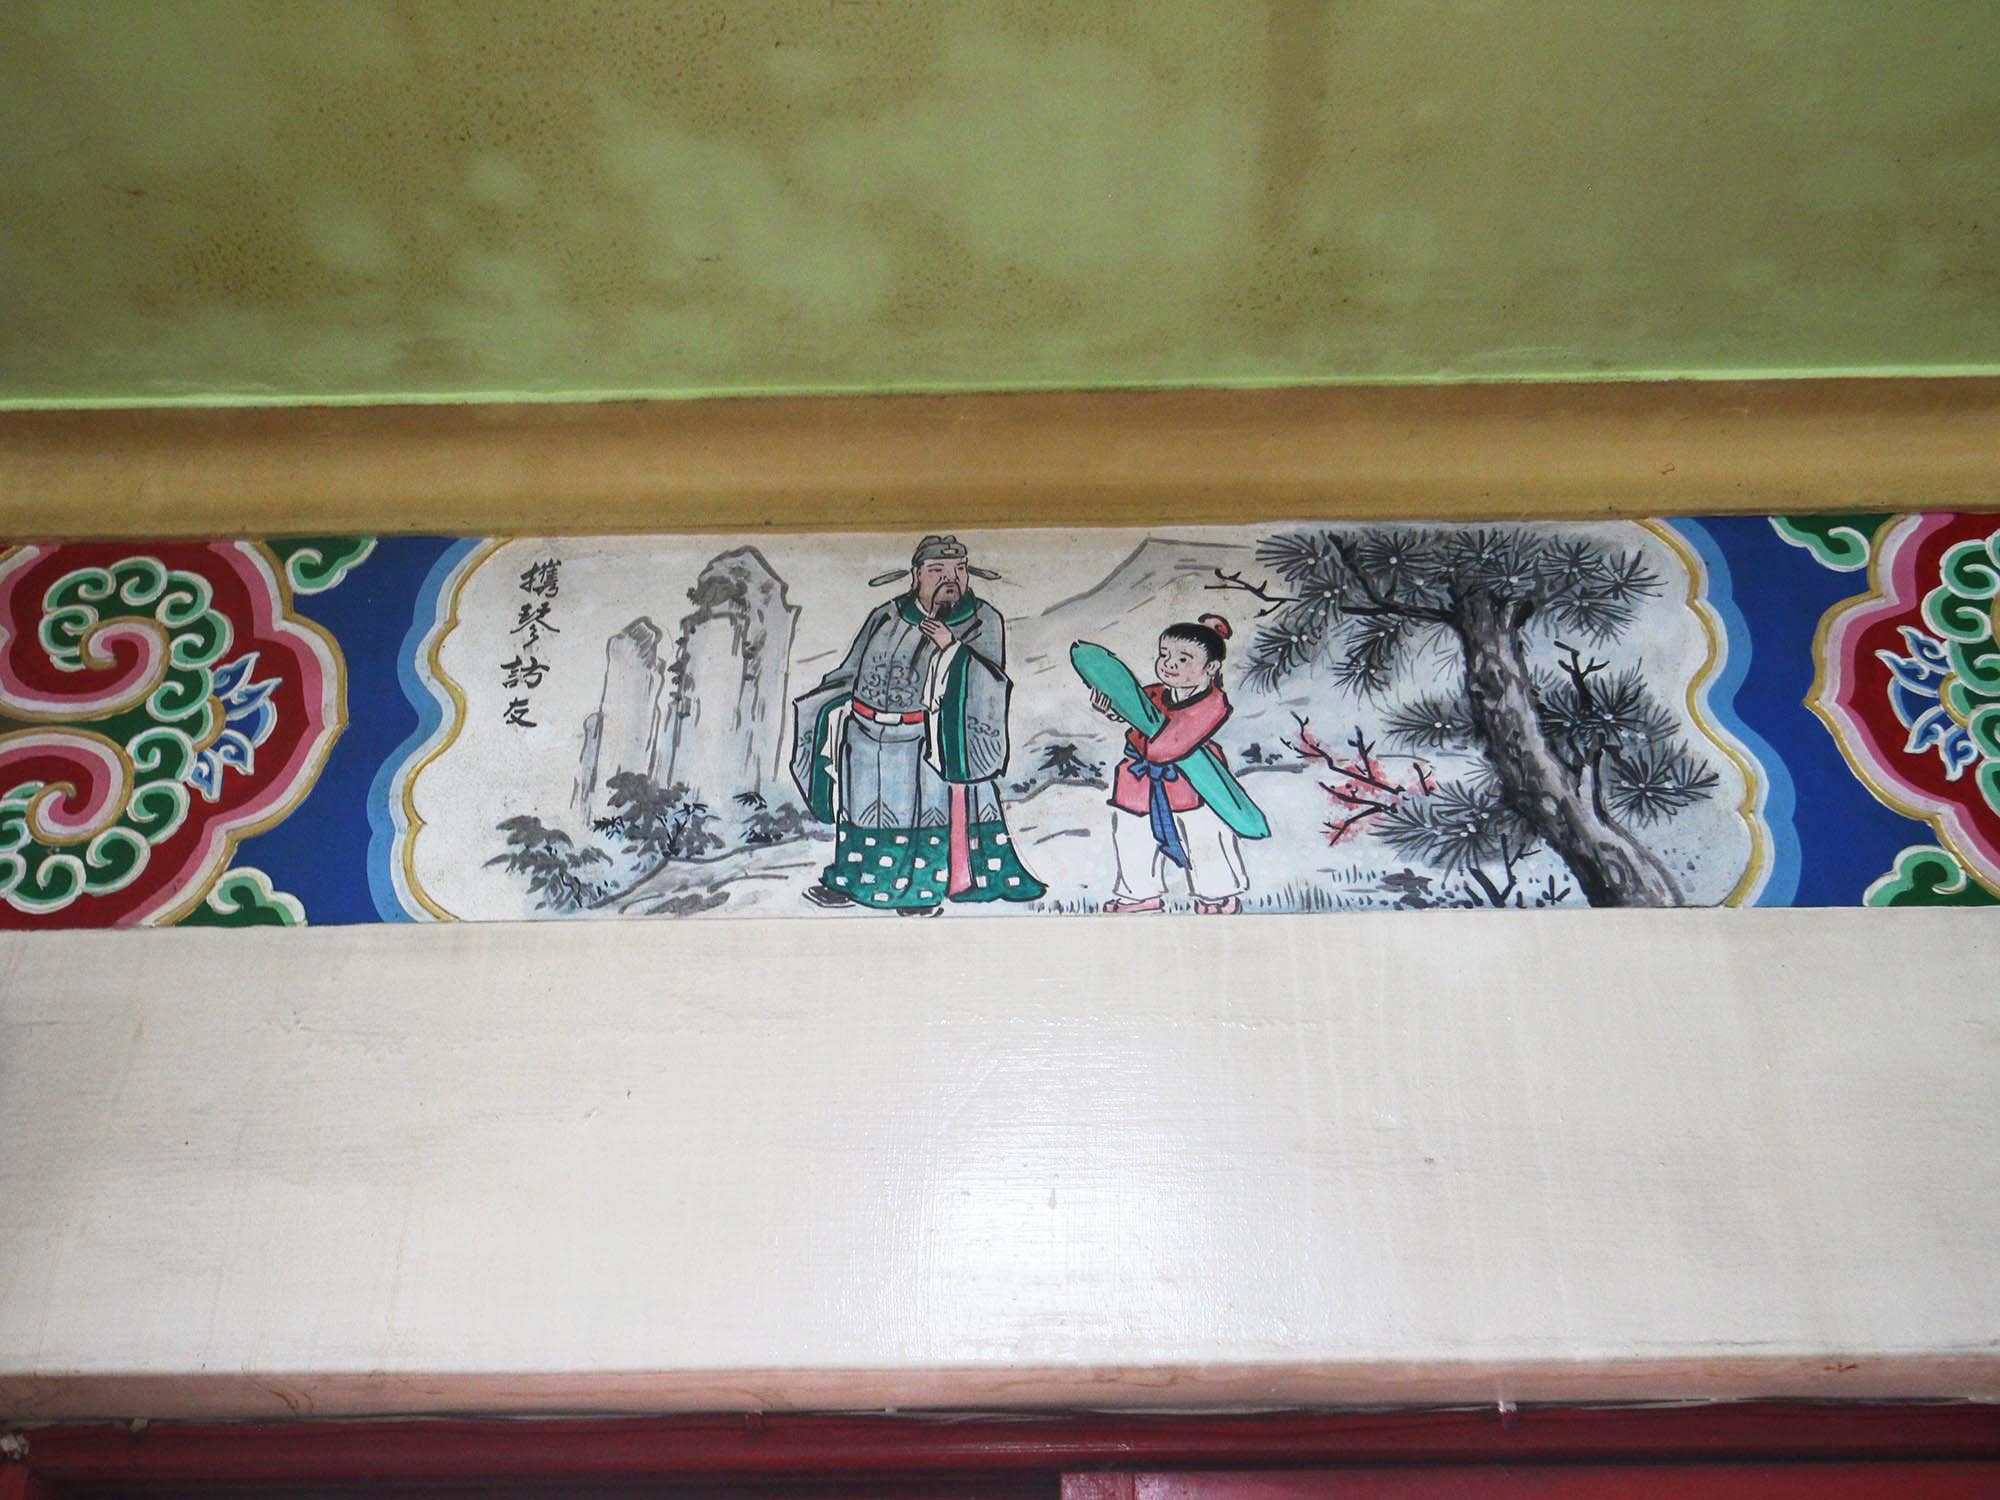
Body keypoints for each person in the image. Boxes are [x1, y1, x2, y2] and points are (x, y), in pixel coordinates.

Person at [790, 535, 1044, 916]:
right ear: (916, 575)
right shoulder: (886, 615)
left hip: (928, 744)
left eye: (959, 570)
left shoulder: (982, 620)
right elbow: (850, 670)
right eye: (938, 570)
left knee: (922, 824)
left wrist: (952, 648)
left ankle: (921, 894)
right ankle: (853, 883)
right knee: (862, 820)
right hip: (865, 740)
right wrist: (823, 707)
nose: (950, 579)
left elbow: (989, 682)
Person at [1090, 614, 1248, 915]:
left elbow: (1169, 744)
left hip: (1193, 780)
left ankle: (1217, 894)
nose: (1169, 664)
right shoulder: (1154, 694)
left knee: (1205, 837)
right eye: (1165, 655)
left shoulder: (1213, 704)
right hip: (1139, 779)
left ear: (1211, 667)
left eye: (1183, 658)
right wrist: (1112, 707)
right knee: (1132, 834)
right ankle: (1138, 894)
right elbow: (1134, 710)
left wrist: (1146, 736)